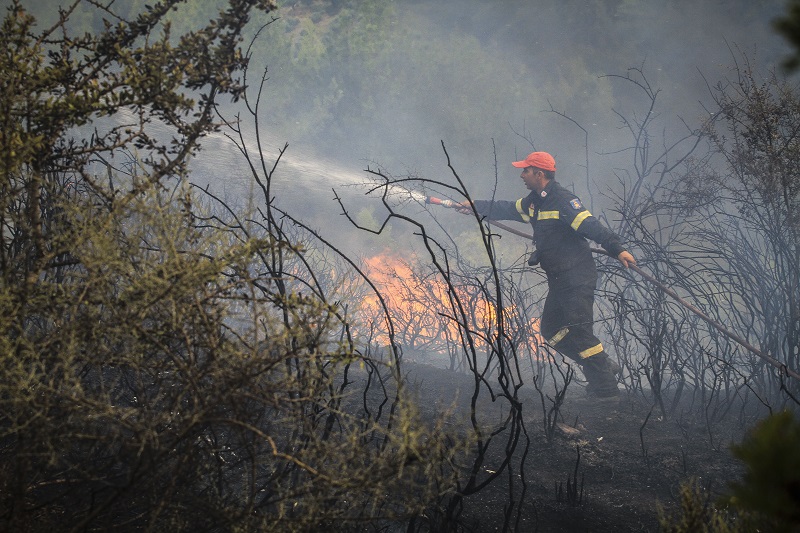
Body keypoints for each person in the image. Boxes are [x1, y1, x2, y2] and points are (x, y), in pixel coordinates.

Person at [461, 151, 636, 399]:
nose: (522, 175)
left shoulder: (563, 201)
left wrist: (619, 249)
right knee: (552, 331)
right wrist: (475, 206)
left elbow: (591, 226)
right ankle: (603, 366)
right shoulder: (535, 202)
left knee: (580, 331)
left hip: (577, 277)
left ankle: (606, 390)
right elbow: (508, 208)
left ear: (539, 173)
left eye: (526, 170)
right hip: (559, 279)